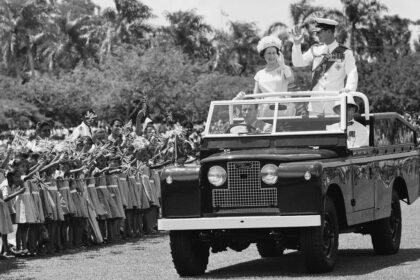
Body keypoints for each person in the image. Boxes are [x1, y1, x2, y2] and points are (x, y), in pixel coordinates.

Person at [291, 17, 358, 93]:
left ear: (329, 32)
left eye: (319, 32)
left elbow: (352, 72)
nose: (316, 35)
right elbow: (297, 63)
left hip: (334, 100)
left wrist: (349, 89)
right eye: (316, 32)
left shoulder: (345, 52)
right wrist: (297, 43)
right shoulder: (315, 50)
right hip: (316, 101)